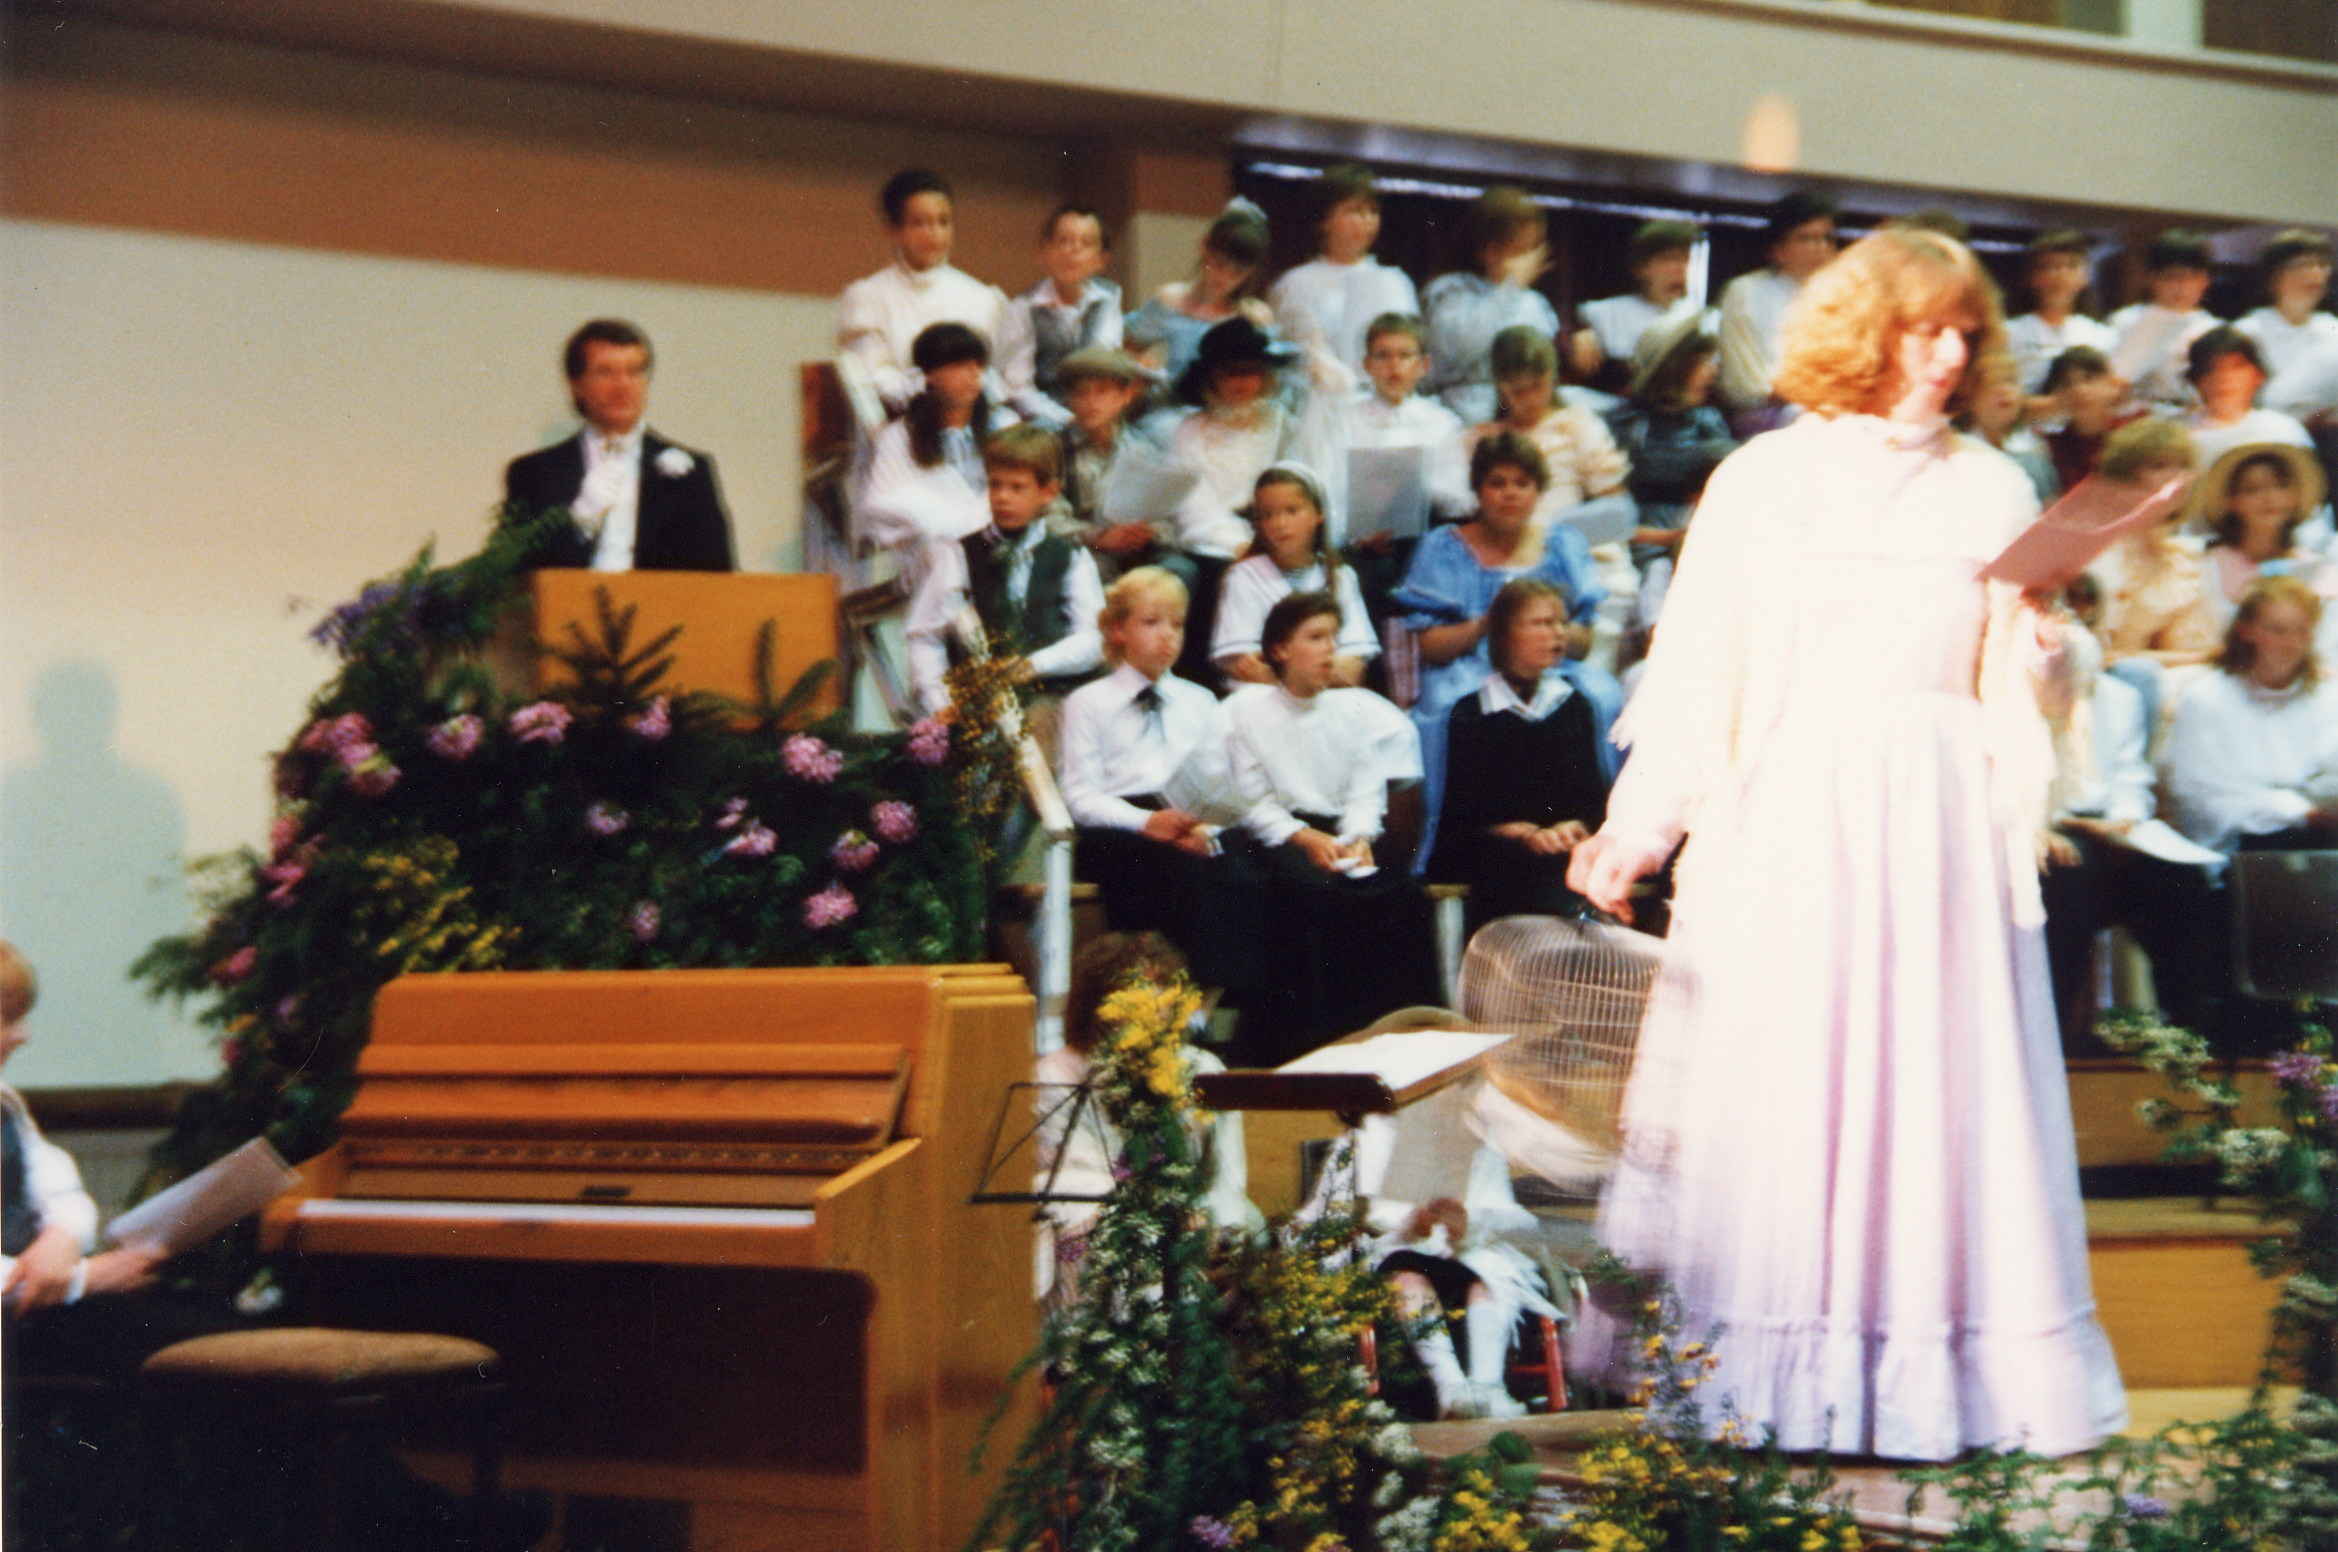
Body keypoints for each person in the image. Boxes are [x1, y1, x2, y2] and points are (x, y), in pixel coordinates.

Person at [1566, 226, 2126, 1459]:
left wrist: (2045, 649)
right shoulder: (1762, 480)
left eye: (1962, 335)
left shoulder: (1992, 483)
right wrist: (1638, 827)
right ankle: (1777, 1387)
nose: (1943, 355)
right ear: (1860, 332)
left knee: (1930, 1094)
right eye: (1919, 329)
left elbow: (2027, 673)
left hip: (1933, 825)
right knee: (1790, 1089)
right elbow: (1698, 666)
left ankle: (1933, 1387)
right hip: (1793, 812)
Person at [1226, 593, 1439, 1064]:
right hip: (1278, 836)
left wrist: (1360, 837)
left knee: (1404, 897)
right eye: (1316, 638)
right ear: (1280, 650)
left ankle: (1398, 1039)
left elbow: (1367, 787)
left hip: (1343, 832)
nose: (1330, 651)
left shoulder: (1353, 710)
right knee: (1311, 895)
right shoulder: (1247, 714)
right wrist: (1304, 838)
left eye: (1333, 640)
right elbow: (1251, 800)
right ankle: (1313, 1045)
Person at [1394, 431, 1617, 868]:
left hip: (1549, 664)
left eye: (1522, 483)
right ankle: (1441, 848)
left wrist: (1541, 626)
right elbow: (1431, 647)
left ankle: (1602, 836)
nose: (1510, 494)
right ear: (1479, 490)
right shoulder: (1443, 547)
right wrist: (1493, 624)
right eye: (1498, 483)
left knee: (1605, 697)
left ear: (1539, 490)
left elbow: (1583, 643)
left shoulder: (1562, 543)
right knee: (1442, 708)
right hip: (1468, 664)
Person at [1059, 568, 1264, 1005]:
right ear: (1118, 630)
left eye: (1176, 624)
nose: (1167, 635)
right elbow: (1080, 796)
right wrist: (1147, 821)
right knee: (1174, 875)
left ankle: (1205, 1009)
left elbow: (1213, 778)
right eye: (1151, 623)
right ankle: (1159, 1003)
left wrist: (1203, 826)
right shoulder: (1088, 702)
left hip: (1188, 819)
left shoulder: (1200, 700)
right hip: (1121, 825)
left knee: (1241, 869)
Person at [1032, 932, 1260, 1311]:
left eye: (1163, 988)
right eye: (1139, 989)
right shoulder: (1055, 1076)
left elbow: (1227, 1177)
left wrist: (1210, 1222)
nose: (1155, 1003)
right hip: (1108, 1225)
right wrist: (1165, 1217)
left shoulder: (1202, 1069)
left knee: (1249, 1234)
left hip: (1193, 1223)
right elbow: (1077, 1183)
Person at [1427, 578, 1611, 930]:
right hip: (1500, 856)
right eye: (1542, 623)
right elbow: (1463, 816)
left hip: (1563, 850)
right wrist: (1520, 835)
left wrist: (1575, 826)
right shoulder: (1473, 712)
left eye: (1561, 622)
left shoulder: (1575, 704)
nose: (1558, 633)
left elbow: (1593, 796)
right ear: (1506, 635)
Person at [503, 319, 737, 572]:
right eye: (605, 372)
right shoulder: (533, 473)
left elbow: (718, 577)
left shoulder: (692, 473)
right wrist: (582, 518)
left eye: (634, 371)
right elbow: (516, 576)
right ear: (576, 385)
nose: (622, 385)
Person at [904, 425, 1104, 716]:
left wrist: (1035, 665)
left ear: (1048, 492)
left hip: (1050, 699)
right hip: (978, 705)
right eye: (995, 485)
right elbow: (924, 635)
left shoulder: (1069, 556)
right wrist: (941, 703)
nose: (1002, 497)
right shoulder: (960, 554)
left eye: (1017, 487)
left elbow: (1093, 638)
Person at [2159, 575, 2338, 855]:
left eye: (2301, 631)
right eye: (2278, 631)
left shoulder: (2328, 697)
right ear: (2246, 631)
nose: (2290, 644)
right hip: (2241, 842)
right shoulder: (2207, 698)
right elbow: (2201, 798)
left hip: (2320, 830)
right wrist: (2297, 811)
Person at [836, 168, 1008, 414]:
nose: (934, 233)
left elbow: (994, 375)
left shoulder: (983, 298)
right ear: (895, 229)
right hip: (894, 426)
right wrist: (932, 395)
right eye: (920, 223)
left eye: (943, 221)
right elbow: (871, 377)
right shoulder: (867, 296)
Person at [1212, 464, 1377, 687]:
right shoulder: (1243, 577)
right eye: (1267, 515)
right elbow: (1246, 668)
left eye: (1291, 511)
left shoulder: (1341, 579)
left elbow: (1352, 671)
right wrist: (1322, 668)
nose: (1279, 524)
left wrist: (1281, 671)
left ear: (1318, 514)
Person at [857, 322, 1011, 552]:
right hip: (934, 558)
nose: (973, 374)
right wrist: (938, 519)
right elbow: (880, 503)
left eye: (978, 365)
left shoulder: (1005, 425)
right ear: (929, 375)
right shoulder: (899, 436)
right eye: (960, 365)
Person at [1608, 307, 1737, 575]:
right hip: (1641, 540)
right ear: (1676, 368)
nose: (1713, 371)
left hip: (1699, 533)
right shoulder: (1629, 424)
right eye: (1703, 361)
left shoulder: (1708, 422)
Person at [1267, 163, 1420, 383]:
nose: (1367, 220)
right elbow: (1290, 359)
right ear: (1324, 221)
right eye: (1354, 210)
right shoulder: (1295, 283)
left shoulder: (1395, 281)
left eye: (1372, 211)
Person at [1422, 187, 1562, 425]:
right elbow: (1459, 350)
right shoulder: (1449, 290)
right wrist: (1509, 289)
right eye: (1522, 249)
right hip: (1465, 412)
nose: (1532, 259)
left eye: (1534, 248)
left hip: (1528, 414)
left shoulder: (1535, 303)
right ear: (1490, 251)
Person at [1715, 190, 1837, 433]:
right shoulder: (1746, 292)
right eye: (1807, 239)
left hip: (1826, 413)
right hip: (1763, 413)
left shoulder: (1840, 296)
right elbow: (1742, 380)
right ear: (1777, 249)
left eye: (1826, 238)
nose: (1820, 248)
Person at [1124, 200, 1276, 393]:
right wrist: (1141, 364)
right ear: (1204, 246)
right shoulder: (1171, 301)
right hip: (1174, 409)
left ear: (1249, 273)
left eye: (1237, 272)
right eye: (1220, 264)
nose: (1225, 278)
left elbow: (1269, 379)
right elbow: (1127, 348)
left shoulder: (1253, 316)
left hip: (1229, 413)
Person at [995, 203, 1124, 428]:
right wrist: (1066, 420)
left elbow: (1103, 357)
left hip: (1096, 411)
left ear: (1101, 259)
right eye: (1063, 241)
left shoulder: (1108, 297)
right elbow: (1018, 388)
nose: (1072, 251)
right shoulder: (1023, 308)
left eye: (1085, 244)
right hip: (1044, 416)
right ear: (1045, 251)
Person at [2197, 443, 2334, 639]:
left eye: (2280, 486)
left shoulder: (2313, 565)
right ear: (2232, 501)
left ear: (2295, 496)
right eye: (2253, 489)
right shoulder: (2208, 565)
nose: (2270, 498)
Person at [1051, 346, 1160, 573]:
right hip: (1081, 553)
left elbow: (1166, 514)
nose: (1091, 402)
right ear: (1069, 400)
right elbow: (1048, 517)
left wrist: (1147, 532)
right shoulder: (1054, 450)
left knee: (1178, 568)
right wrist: (1097, 536)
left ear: (1125, 395)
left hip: (1133, 554)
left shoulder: (1143, 449)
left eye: (1102, 391)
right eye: (1081, 393)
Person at [1572, 219, 1701, 392]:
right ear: (1641, 268)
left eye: (1684, 259)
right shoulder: (1606, 313)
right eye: (1668, 259)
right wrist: (1580, 334)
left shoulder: (1699, 317)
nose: (1679, 268)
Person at [2107, 229, 2217, 415]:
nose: (2181, 286)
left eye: (2190, 276)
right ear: (2151, 278)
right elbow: (2110, 382)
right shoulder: (2126, 321)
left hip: (2195, 417)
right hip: (2139, 416)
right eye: (2171, 276)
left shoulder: (2213, 329)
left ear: (2204, 280)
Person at [2180, 326, 2316, 473]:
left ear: (2258, 375)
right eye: (2210, 369)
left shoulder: (2285, 431)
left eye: (2236, 367)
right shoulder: (2179, 436)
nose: (2223, 378)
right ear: (2195, 380)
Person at [2236, 229, 2338, 423]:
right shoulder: (2247, 332)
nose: (2315, 273)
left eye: (2322, 265)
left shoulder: (2334, 330)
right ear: (2274, 277)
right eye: (2302, 265)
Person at [2005, 229, 2113, 402]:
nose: (2061, 274)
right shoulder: (2009, 332)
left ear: (2085, 276)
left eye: (2071, 265)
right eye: (2049, 266)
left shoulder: (2102, 336)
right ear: (2032, 277)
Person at [2037, 345, 2141, 493]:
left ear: (2112, 385)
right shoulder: (2051, 450)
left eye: (2089, 379)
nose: (2079, 390)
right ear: (2056, 394)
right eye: (2067, 384)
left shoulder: (2137, 437)